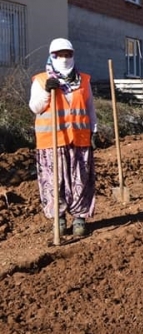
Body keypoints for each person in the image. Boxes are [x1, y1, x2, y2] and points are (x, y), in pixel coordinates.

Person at [29, 38, 97, 237]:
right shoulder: (41, 80)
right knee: (54, 181)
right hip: (51, 141)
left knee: (80, 179)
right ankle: (59, 218)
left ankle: (79, 218)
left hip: (79, 140)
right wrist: (47, 92)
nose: (64, 58)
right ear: (52, 56)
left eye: (67, 54)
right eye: (59, 55)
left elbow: (90, 108)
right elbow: (35, 107)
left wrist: (94, 131)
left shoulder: (83, 80)